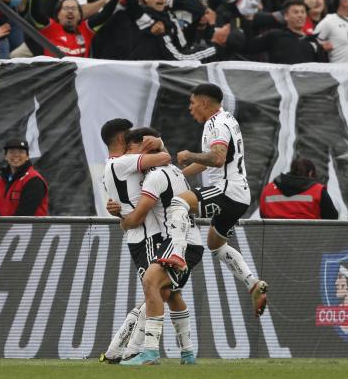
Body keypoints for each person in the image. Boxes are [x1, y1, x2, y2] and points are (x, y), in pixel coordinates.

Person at [157, 83, 270, 317]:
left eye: (192, 102)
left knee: (178, 203)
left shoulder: (216, 123)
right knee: (216, 246)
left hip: (227, 191)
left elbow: (217, 159)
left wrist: (188, 155)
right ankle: (252, 283)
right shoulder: (227, 119)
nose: (190, 108)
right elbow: (214, 159)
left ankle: (177, 253)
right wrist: (179, 173)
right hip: (239, 194)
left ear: (204, 103)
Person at [116, 127, 204, 366]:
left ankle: (150, 353)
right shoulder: (174, 171)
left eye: (131, 148)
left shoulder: (155, 177)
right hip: (191, 241)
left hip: (178, 243)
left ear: (144, 149)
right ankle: (187, 353)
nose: (129, 155)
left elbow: (137, 218)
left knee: (150, 283)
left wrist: (121, 218)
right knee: (172, 294)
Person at [97, 119, 174, 364]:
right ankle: (131, 349)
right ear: (121, 140)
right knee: (157, 291)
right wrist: (159, 143)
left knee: (157, 291)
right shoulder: (124, 162)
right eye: (130, 136)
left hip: (136, 235)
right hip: (147, 234)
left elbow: (116, 204)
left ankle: (116, 350)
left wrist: (117, 212)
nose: (137, 140)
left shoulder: (109, 168)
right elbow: (164, 158)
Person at [260, 156, 338, 220]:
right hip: (308, 237)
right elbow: (332, 217)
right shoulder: (318, 191)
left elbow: (263, 215)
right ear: (310, 173)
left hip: (273, 237)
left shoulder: (268, 189)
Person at [0, 139, 49, 216]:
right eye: (11, 152)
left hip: (30, 227)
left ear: (27, 157)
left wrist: (5, 227)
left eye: (21, 152)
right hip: (5, 227)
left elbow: (24, 215)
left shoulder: (34, 180)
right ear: (5, 157)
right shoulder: (1, 181)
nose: (16, 155)